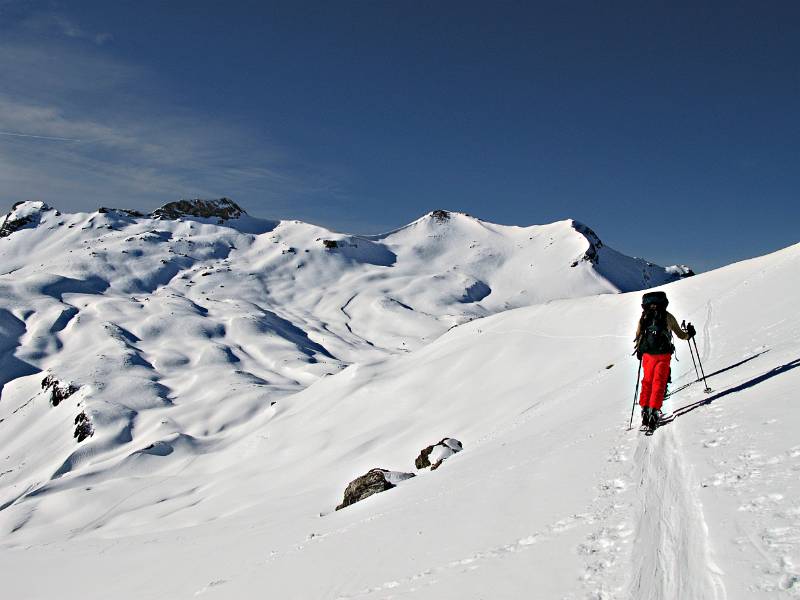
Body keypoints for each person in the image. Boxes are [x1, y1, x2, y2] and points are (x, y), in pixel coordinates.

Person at [634, 291, 695, 429]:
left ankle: (644, 409)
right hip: (663, 355)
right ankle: (654, 411)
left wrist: (639, 350)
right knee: (659, 382)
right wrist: (689, 334)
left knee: (647, 381)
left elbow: (638, 335)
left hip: (647, 355)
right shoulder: (668, 317)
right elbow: (681, 335)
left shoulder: (644, 317)